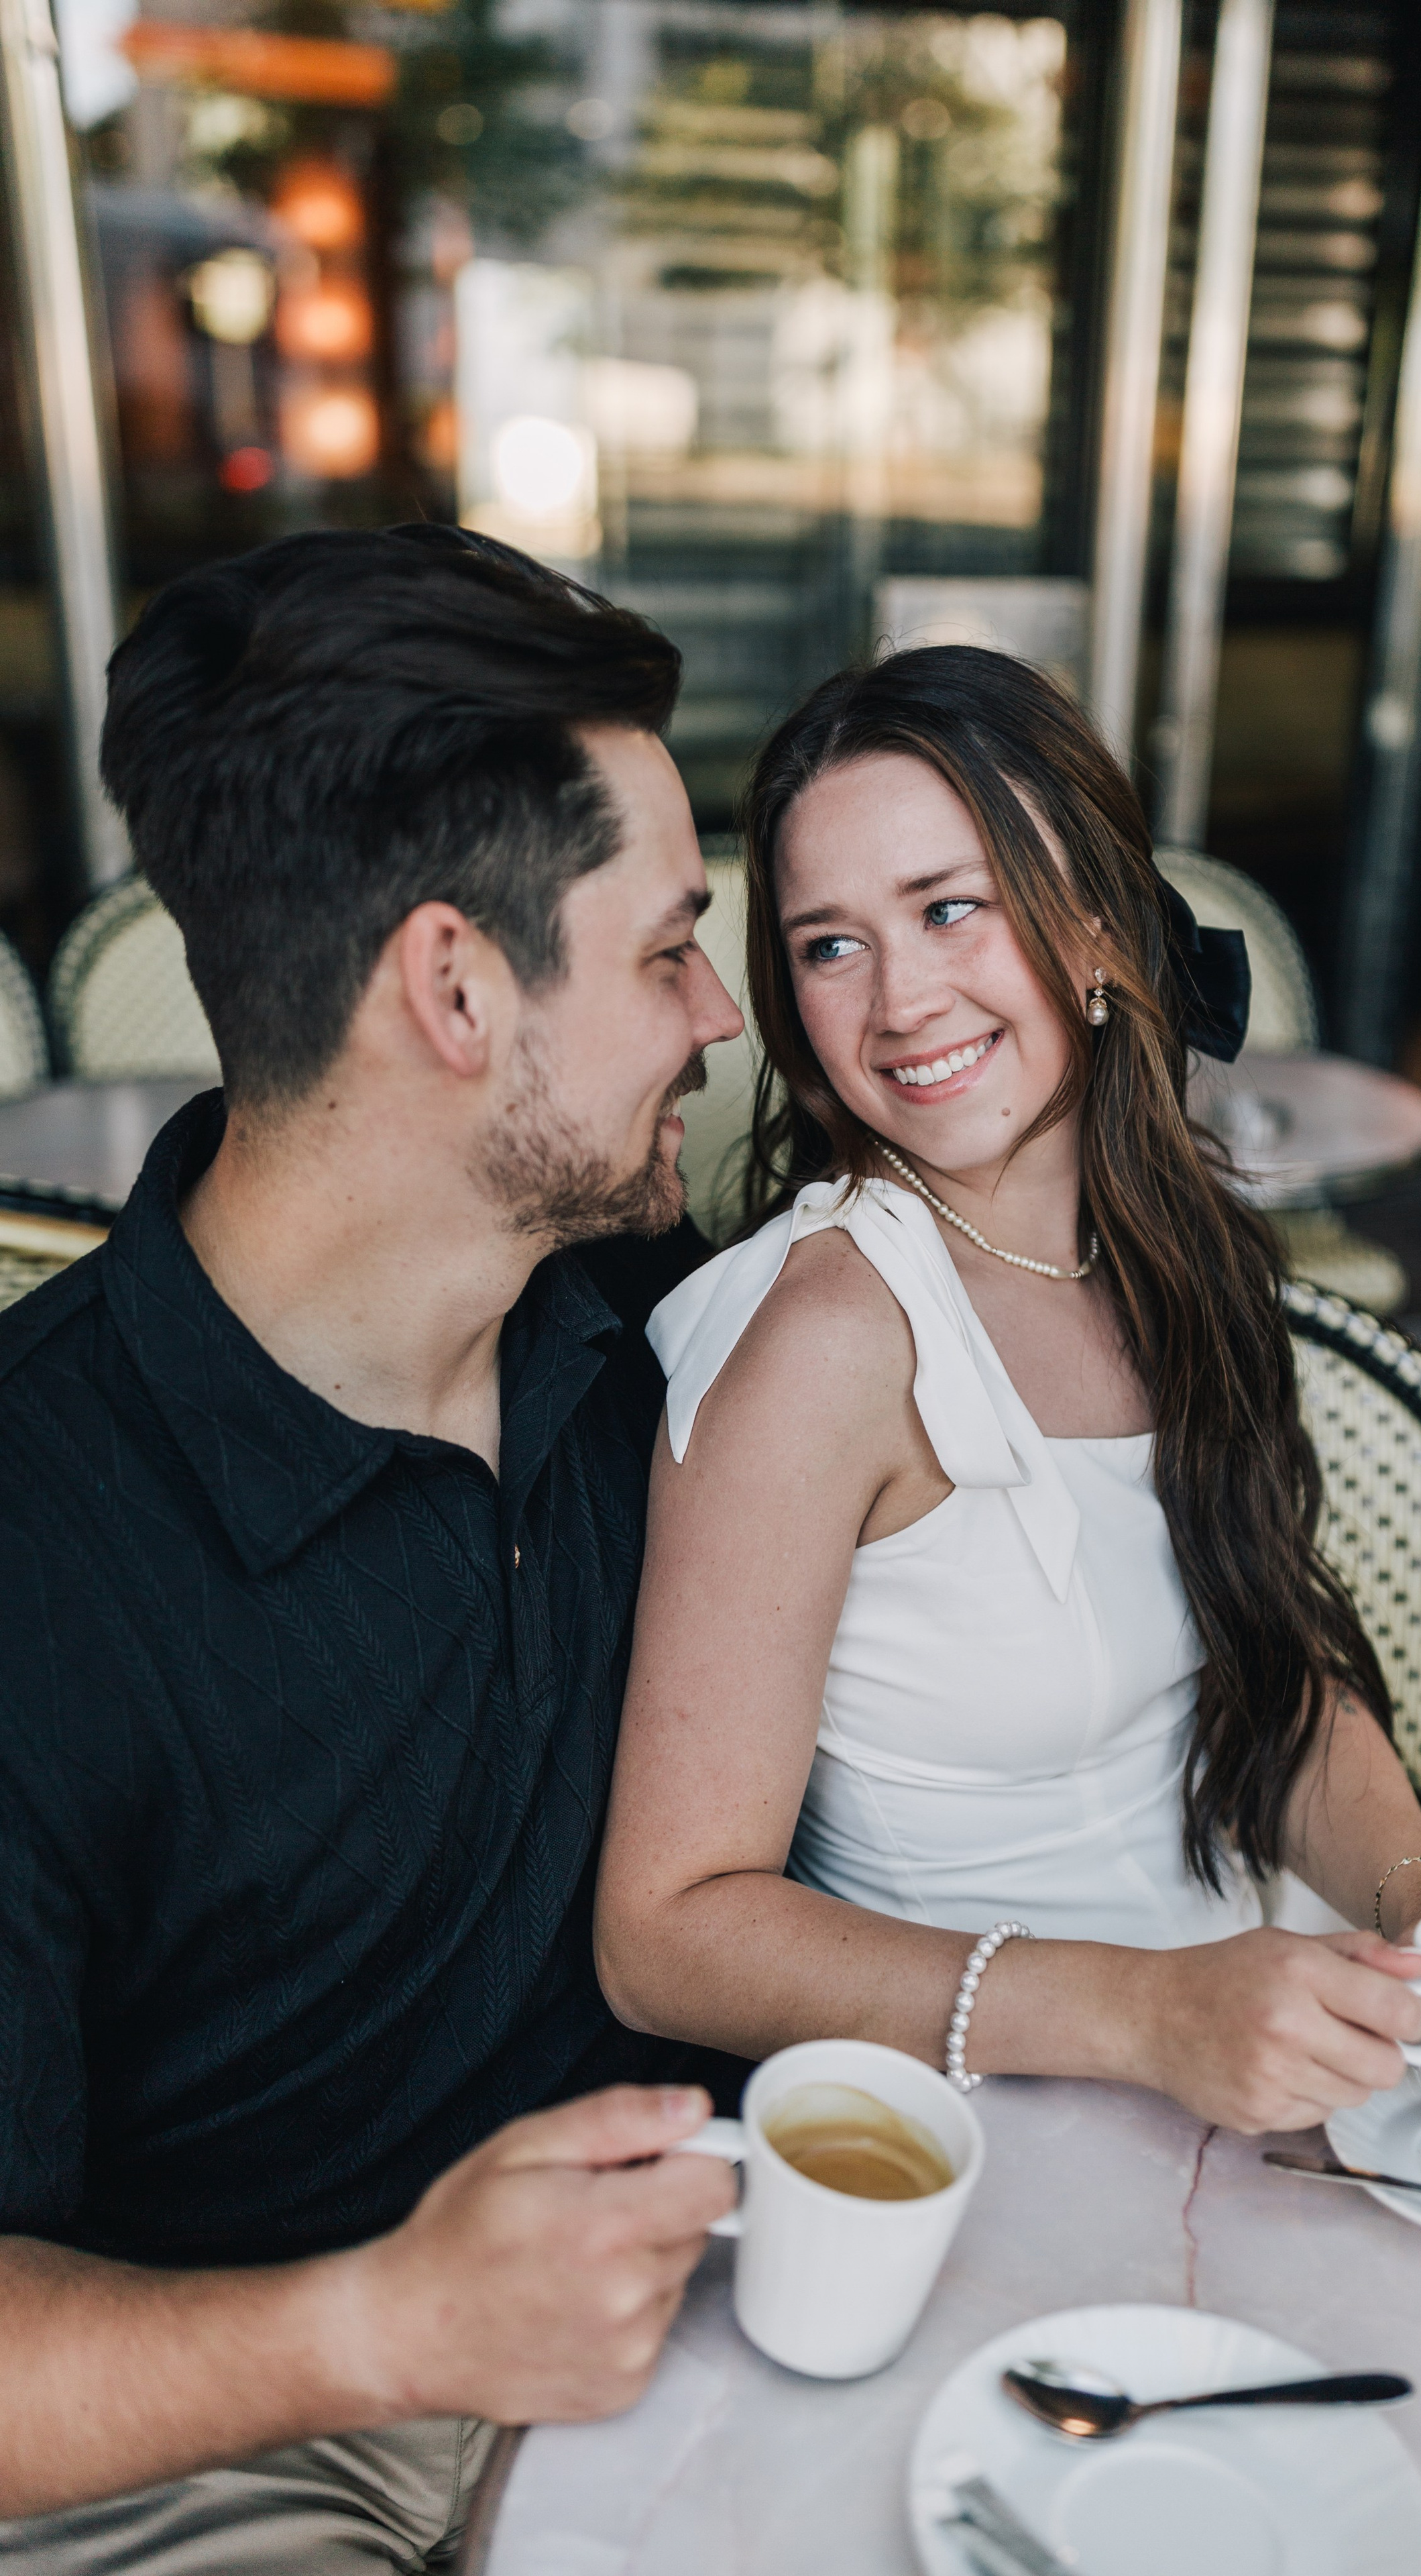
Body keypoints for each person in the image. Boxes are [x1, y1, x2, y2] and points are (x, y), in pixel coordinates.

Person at [595, 645, 1421, 2134]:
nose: (898, 1003)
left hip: (1276, 2057)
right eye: (830, 946)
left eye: (949, 909)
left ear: (1089, 925)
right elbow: (664, 1933)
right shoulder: (824, 1341)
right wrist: (1145, 2015)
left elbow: (1275, 1678)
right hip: (1006, 2136)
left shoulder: (1164, 1245)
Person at [0, 526, 743, 2565]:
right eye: (674, 944)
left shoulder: (632, 1307)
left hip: (677, 2344)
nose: (726, 1008)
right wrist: (387, 2322)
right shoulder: (30, 1542)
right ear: (454, 986)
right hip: (210, 2431)